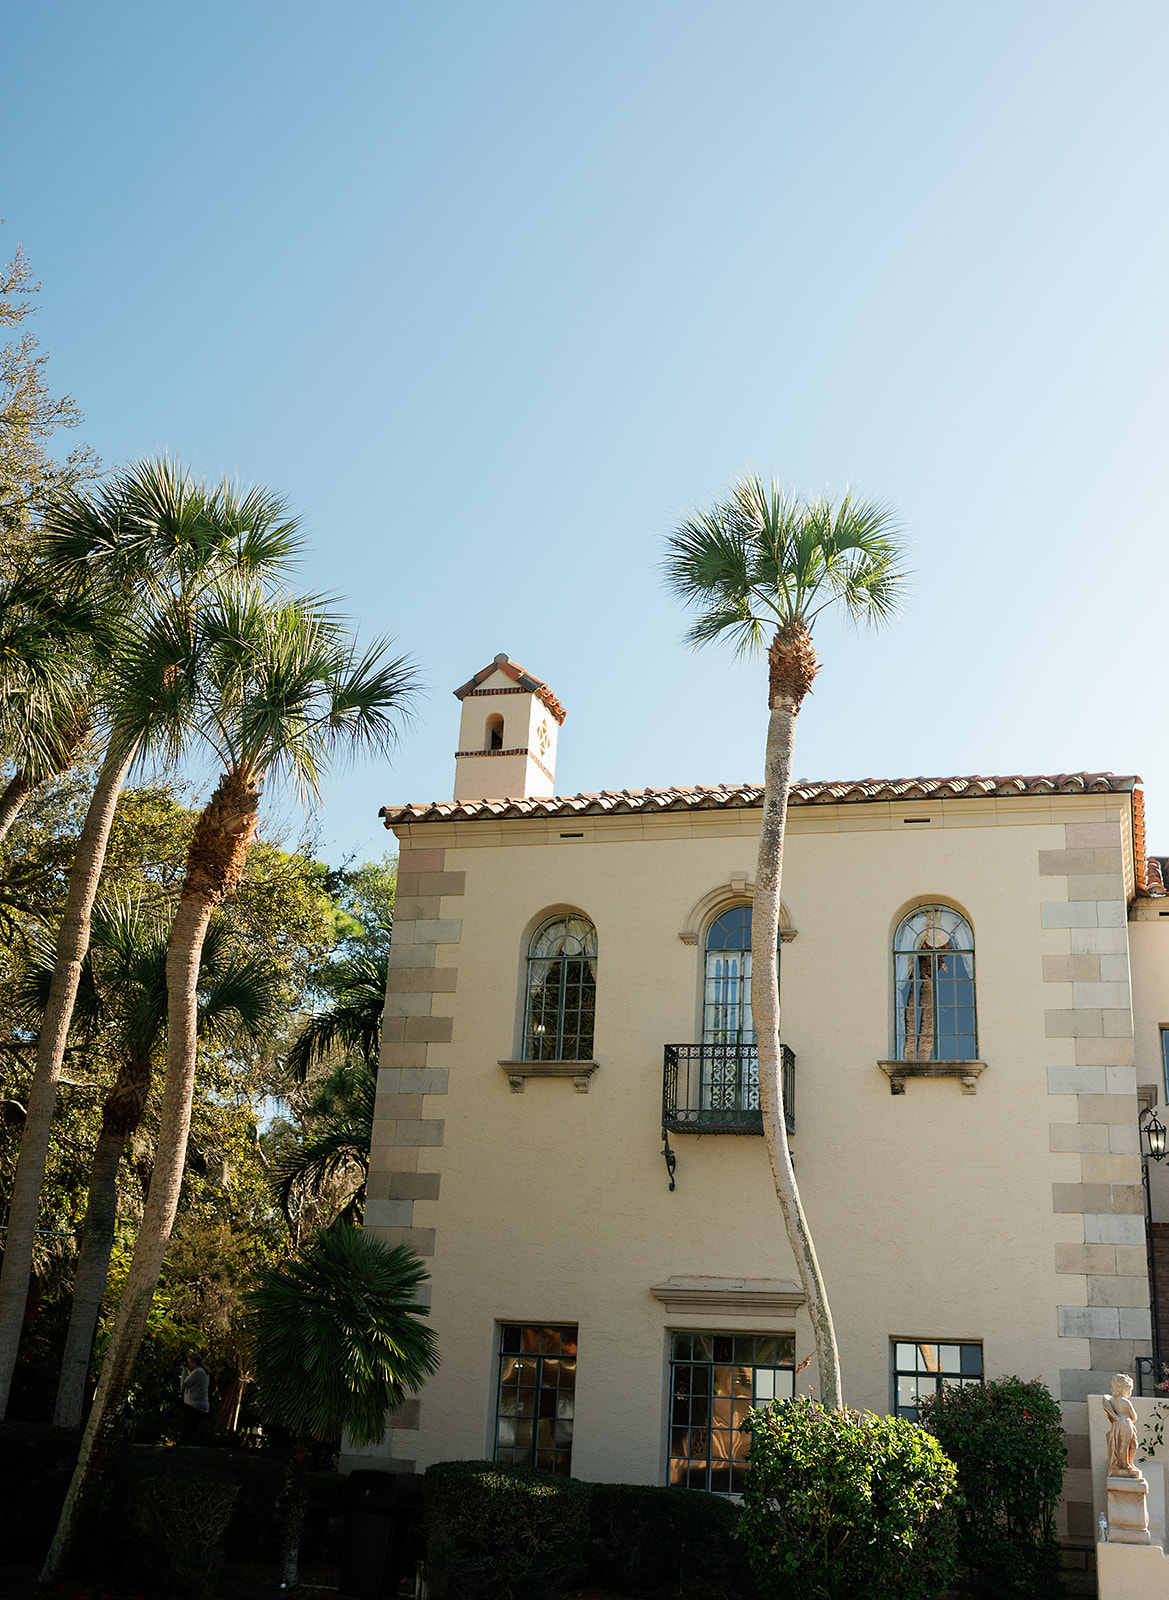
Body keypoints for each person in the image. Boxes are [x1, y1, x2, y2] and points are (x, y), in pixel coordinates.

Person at [1103, 1372, 1141, 1478]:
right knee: (1127, 1445)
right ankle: (1125, 1465)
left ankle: (1127, 1464)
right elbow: (1134, 1417)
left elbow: (1110, 1414)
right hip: (1126, 1423)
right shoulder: (1125, 1402)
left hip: (1117, 1424)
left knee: (1125, 1445)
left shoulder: (1111, 1401)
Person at [180, 1352, 210, 1439]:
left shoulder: (198, 1372)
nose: (187, 1365)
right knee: (193, 1432)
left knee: (188, 1432)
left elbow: (184, 1384)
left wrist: (184, 1370)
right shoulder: (203, 1371)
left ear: (194, 1363)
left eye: (188, 1363)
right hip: (199, 1405)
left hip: (194, 1406)